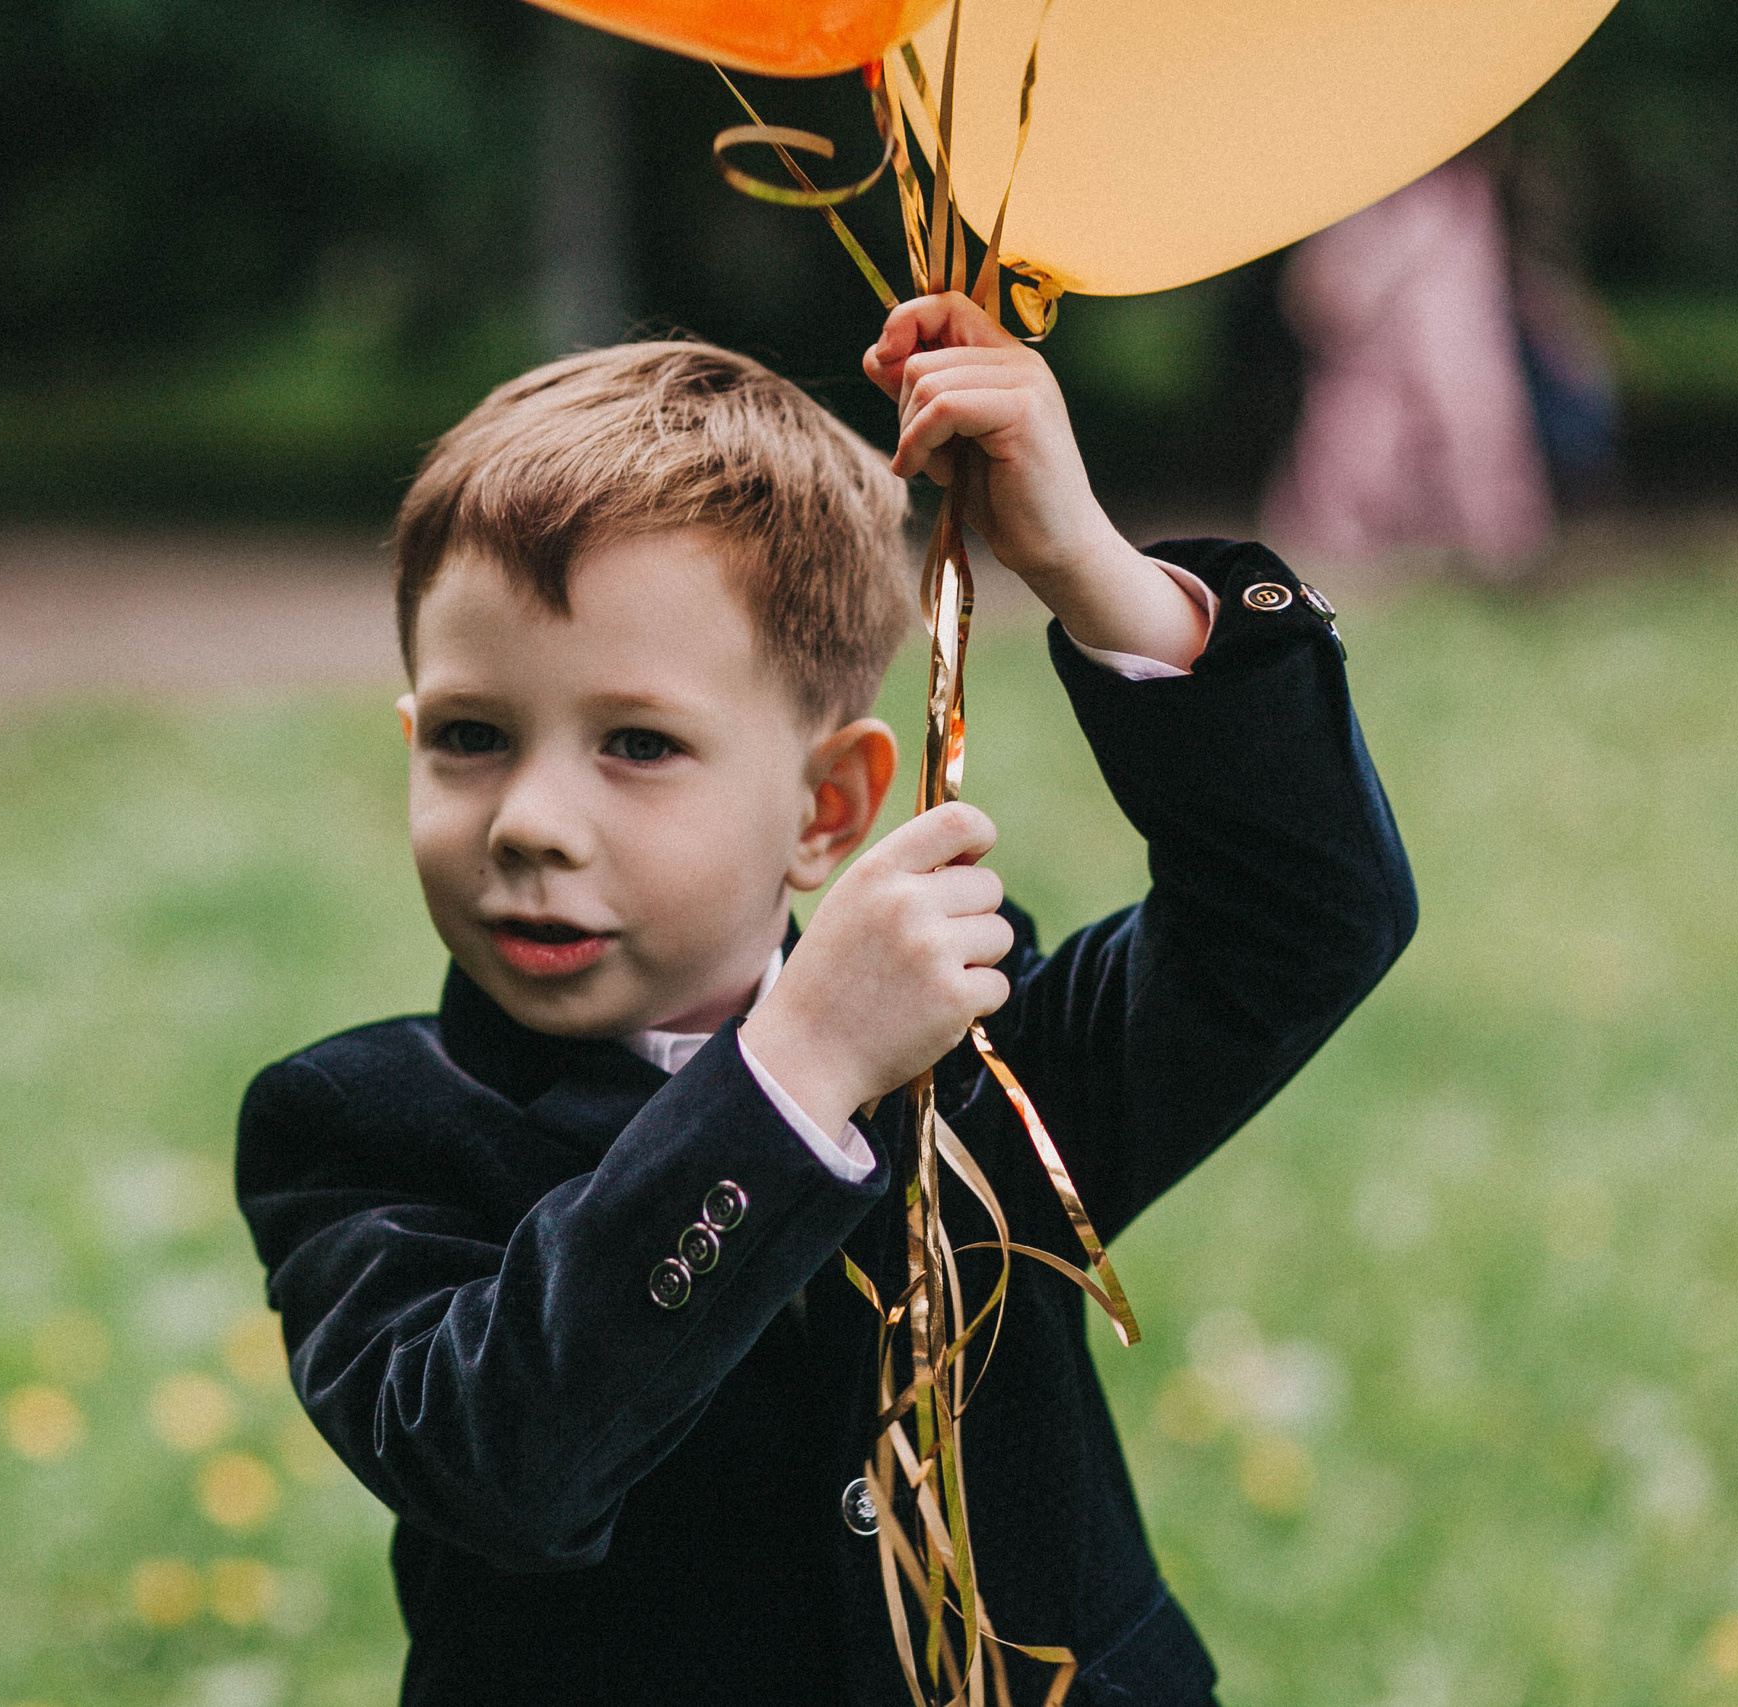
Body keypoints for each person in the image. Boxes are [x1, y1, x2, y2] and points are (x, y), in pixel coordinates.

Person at [236, 295, 1416, 1707]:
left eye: (638, 743)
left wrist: (1095, 570)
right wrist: (786, 1075)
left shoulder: (971, 1053)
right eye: (475, 738)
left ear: (828, 804)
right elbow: (507, 1463)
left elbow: (1305, 919)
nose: (531, 821)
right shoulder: (361, 1130)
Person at [1263, 153, 1556, 579]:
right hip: (1385, 356)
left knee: (1456, 432)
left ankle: (1491, 549)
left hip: (1428, 352)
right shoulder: (1400, 199)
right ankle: (1364, 549)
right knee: (1365, 443)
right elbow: (1326, 296)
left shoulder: (1449, 196)